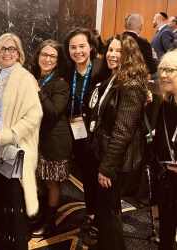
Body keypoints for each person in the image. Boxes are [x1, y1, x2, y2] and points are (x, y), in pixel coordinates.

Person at [0, 32, 43, 250]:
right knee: (2, 192)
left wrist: (8, 134)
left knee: (16, 197)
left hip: (14, 146)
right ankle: (6, 234)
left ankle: (20, 241)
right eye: (3, 49)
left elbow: (35, 115)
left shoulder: (24, 77)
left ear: (19, 53)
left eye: (11, 49)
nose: (7, 53)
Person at [88, 33, 148, 250]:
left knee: (109, 211)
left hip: (116, 162)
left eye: (119, 51)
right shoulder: (114, 77)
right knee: (106, 210)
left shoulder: (130, 85)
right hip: (107, 156)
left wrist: (107, 168)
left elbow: (123, 131)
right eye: (111, 50)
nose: (112, 54)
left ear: (129, 55)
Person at [63, 27, 108, 245]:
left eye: (82, 46)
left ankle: (101, 219)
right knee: (87, 177)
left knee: (101, 178)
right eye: (73, 47)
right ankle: (91, 213)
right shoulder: (67, 70)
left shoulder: (102, 68)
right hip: (77, 133)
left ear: (91, 46)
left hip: (99, 134)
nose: (78, 51)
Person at [29, 39, 72, 237]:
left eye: (52, 56)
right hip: (35, 140)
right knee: (37, 179)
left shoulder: (60, 84)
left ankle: (50, 220)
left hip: (54, 142)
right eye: (44, 54)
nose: (47, 59)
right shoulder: (34, 77)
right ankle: (39, 212)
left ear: (58, 60)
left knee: (51, 183)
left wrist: (37, 91)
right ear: (38, 56)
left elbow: (53, 112)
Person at [152, 50, 177, 250]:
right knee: (167, 225)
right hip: (167, 177)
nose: (163, 75)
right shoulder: (167, 102)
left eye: (170, 70)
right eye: (161, 70)